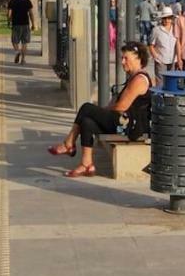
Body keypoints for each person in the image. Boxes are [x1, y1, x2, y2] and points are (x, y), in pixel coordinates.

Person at [48, 41, 152, 177]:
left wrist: (103, 111)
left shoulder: (139, 80)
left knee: (86, 108)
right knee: (86, 121)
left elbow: (122, 106)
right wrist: (103, 112)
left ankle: (69, 144)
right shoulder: (134, 77)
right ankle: (87, 164)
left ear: (138, 58)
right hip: (125, 122)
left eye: (126, 58)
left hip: (131, 126)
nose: (122, 61)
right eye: (122, 58)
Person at [148, 7, 178, 82]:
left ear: (172, 19)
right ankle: (160, 94)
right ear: (162, 19)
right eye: (165, 18)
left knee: (171, 81)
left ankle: (170, 94)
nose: (167, 20)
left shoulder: (175, 29)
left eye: (169, 18)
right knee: (160, 81)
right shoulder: (156, 30)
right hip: (161, 60)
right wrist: (156, 56)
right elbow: (151, 44)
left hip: (173, 60)